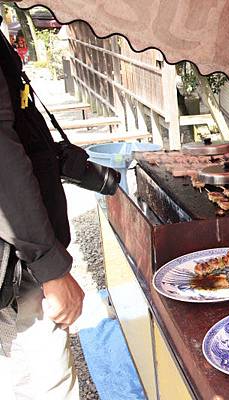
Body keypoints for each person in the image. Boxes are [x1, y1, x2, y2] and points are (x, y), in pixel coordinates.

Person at [0, 22, 83, 399]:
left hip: (22, 257)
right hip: (18, 265)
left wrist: (56, 160)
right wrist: (51, 267)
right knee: (42, 383)